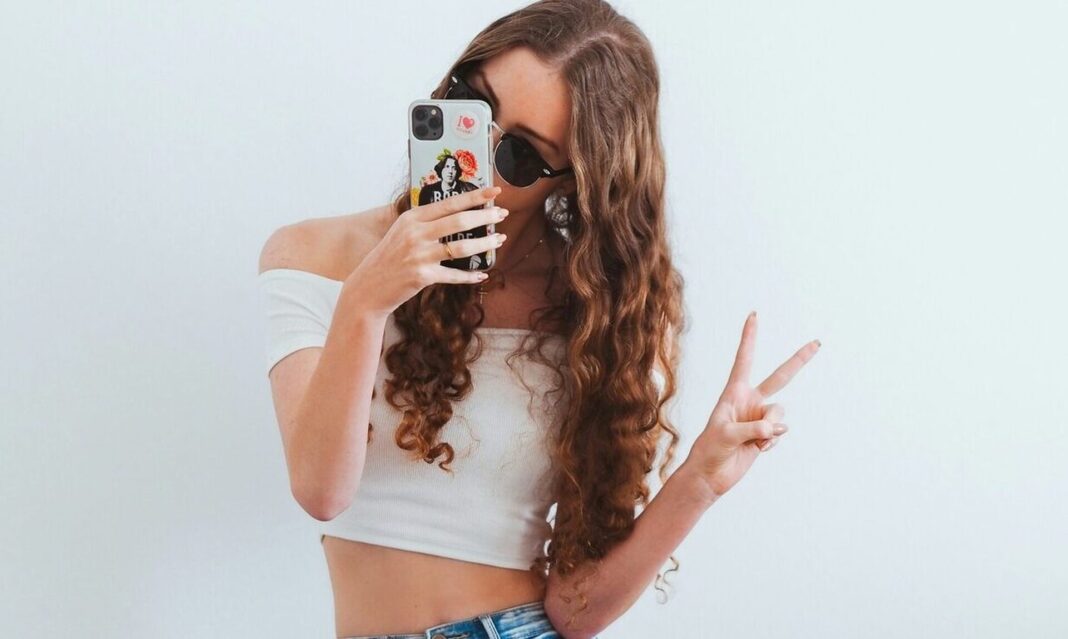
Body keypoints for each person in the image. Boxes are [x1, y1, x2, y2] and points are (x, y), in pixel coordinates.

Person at [257, 1, 819, 638]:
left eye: (521, 155)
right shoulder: (309, 256)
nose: (476, 154)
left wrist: (700, 481)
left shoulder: (593, 316)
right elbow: (321, 491)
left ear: (572, 180)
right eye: (471, 106)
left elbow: (575, 610)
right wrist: (366, 301)